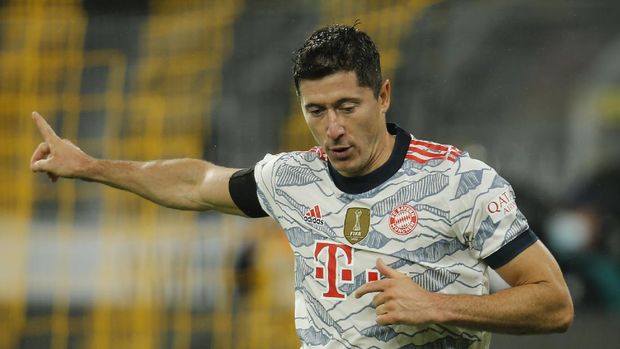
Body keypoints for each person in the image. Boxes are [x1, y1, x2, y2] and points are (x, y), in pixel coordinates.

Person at [30, 24, 573, 348]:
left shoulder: (460, 182)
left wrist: (436, 306)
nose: (332, 128)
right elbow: (197, 181)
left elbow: (553, 305)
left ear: (382, 96)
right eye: (315, 111)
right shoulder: (292, 178)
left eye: (346, 106)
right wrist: (92, 167)